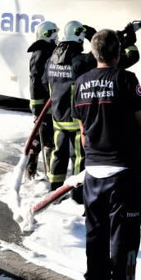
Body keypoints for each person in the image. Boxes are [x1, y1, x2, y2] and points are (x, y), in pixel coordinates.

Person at [73, 29, 141, 280]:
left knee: (95, 232)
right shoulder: (126, 79)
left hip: (94, 172)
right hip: (124, 172)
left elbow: (83, 132)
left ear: (95, 54)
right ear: (118, 53)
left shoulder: (81, 83)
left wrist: (92, 158)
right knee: (124, 232)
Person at [45, 20, 97, 191]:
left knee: (58, 155)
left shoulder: (50, 61)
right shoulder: (80, 61)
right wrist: (93, 35)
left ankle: (54, 190)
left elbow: (45, 82)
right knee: (78, 158)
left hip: (58, 118)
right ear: (79, 39)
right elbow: (98, 54)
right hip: (76, 120)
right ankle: (77, 193)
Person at [25, 20, 58, 179]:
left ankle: (31, 169)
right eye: (54, 33)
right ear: (48, 35)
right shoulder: (40, 53)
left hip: (47, 104)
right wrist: (37, 108)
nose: (57, 36)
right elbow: (35, 82)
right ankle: (50, 173)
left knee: (39, 137)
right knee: (47, 139)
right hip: (44, 105)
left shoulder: (47, 50)